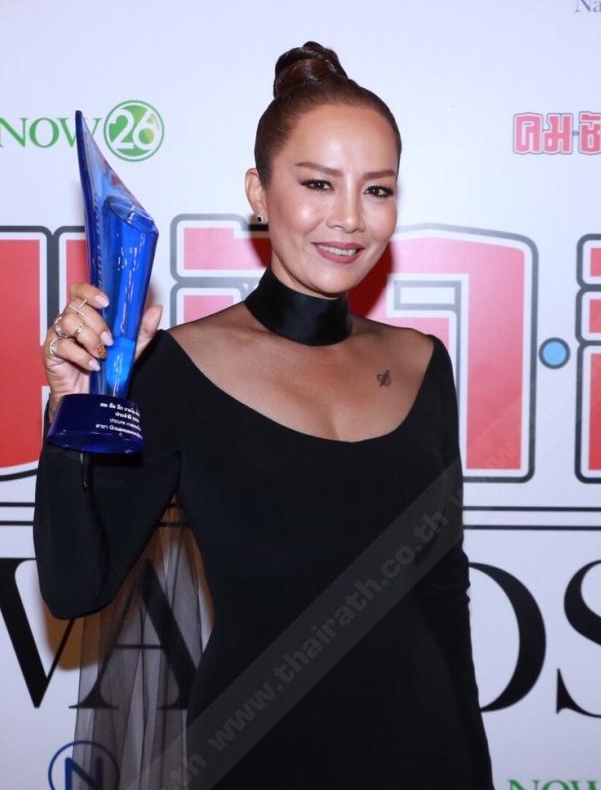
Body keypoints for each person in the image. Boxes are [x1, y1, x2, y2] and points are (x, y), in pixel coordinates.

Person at [34, 41, 494, 789]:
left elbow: (443, 591)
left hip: (424, 751)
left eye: (377, 190)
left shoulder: (422, 365)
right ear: (258, 192)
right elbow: (76, 587)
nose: (349, 219)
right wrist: (69, 415)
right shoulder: (177, 368)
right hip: (257, 756)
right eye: (318, 184)